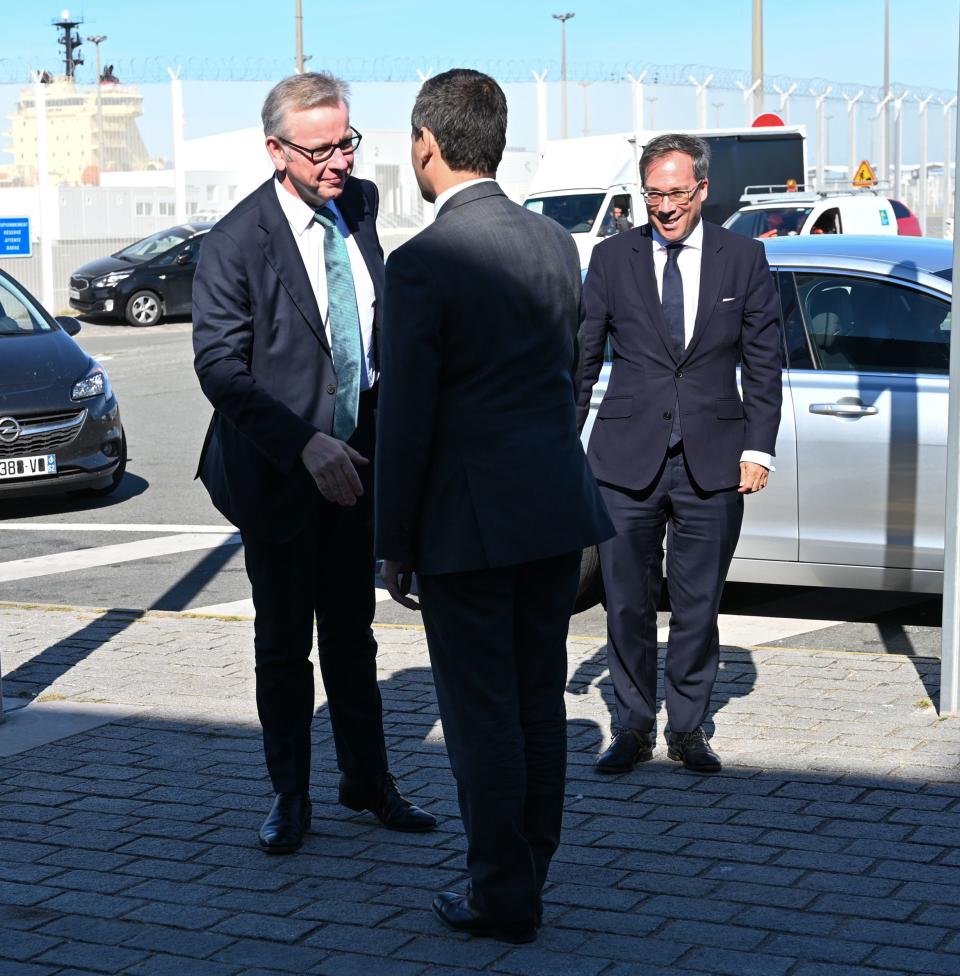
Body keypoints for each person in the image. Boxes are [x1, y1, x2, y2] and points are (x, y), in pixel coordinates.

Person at [375, 69, 613, 944]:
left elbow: (405, 416)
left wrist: (392, 540)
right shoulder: (557, 245)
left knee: (481, 715)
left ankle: (500, 893)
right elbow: (567, 377)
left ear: (424, 146)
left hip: (467, 526)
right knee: (536, 702)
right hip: (553, 509)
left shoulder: (423, 262)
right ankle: (528, 871)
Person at [192, 72, 435, 855]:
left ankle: (368, 782)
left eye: (348, 141)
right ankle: (289, 794)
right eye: (323, 147)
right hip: (280, 475)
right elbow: (220, 371)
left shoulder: (357, 208)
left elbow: (371, 330)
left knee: (354, 635)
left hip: (357, 465)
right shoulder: (234, 242)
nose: (341, 160)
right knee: (283, 645)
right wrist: (303, 442)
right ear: (276, 150)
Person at [577, 133, 782, 776]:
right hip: (623, 460)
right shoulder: (612, 258)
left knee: (698, 604)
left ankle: (688, 728)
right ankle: (633, 726)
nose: (664, 207)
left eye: (676, 193)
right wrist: (561, 444)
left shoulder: (743, 257)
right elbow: (581, 359)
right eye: (654, 194)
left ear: (703, 190)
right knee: (626, 603)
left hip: (713, 461)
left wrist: (759, 447)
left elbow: (765, 362)